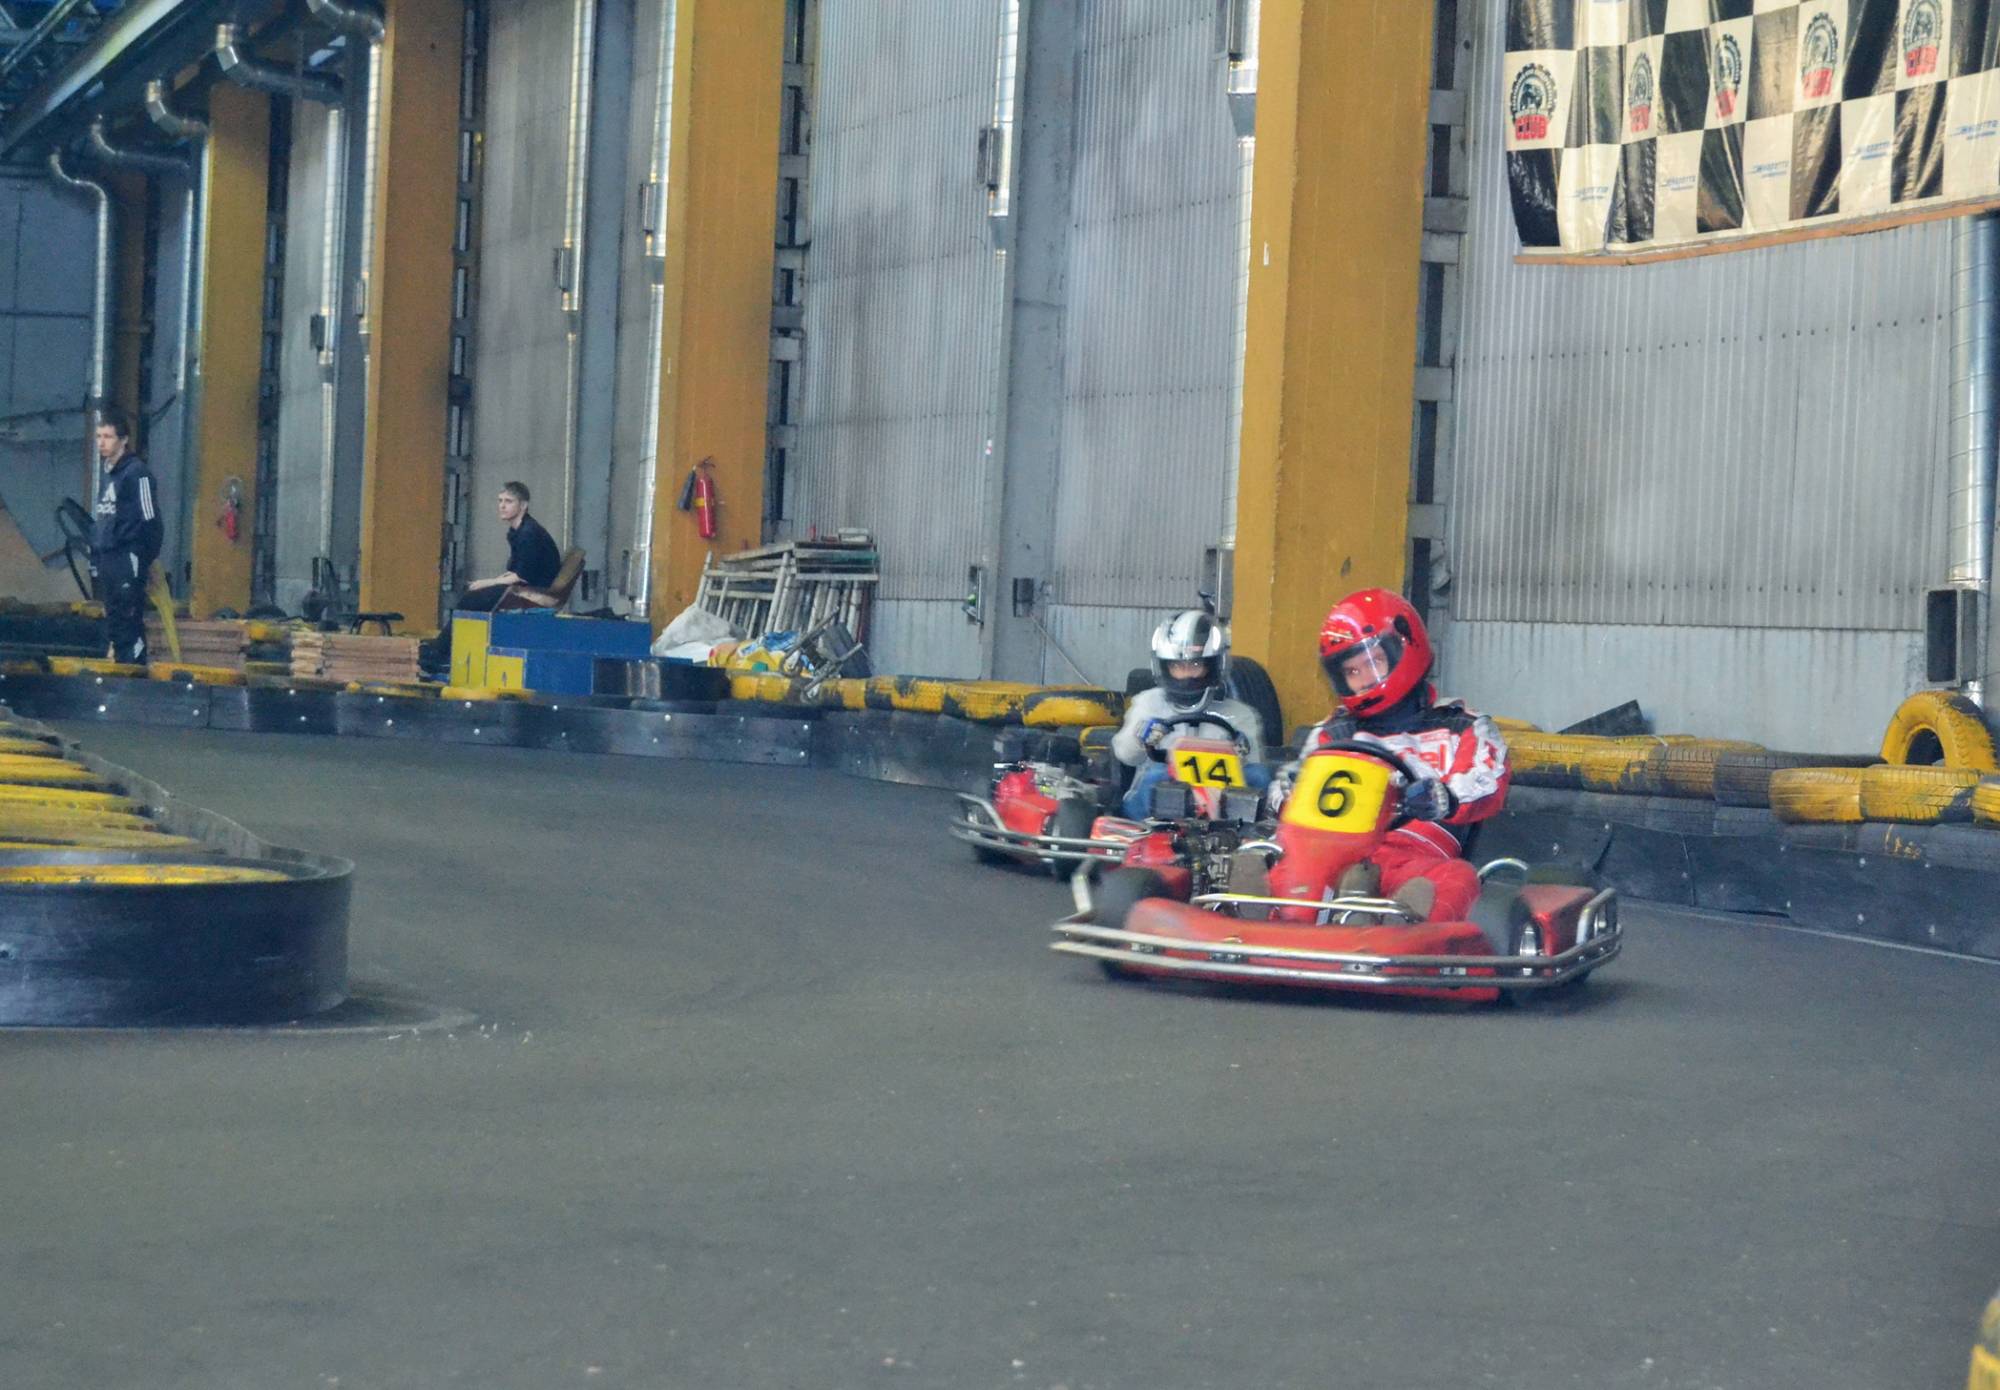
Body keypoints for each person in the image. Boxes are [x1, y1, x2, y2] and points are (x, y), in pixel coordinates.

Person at [1268, 588, 1509, 921]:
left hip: (1416, 856)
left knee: (1458, 879)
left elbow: (1488, 781)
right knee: (1287, 872)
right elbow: (1288, 798)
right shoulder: (1332, 732)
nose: (1364, 679)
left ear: (1405, 648)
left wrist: (1445, 797)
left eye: (1373, 662)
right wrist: (1288, 791)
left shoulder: (1462, 726)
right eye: (1352, 672)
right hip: (1331, 857)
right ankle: (1259, 914)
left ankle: (1397, 921)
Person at [1110, 609, 1265, 820]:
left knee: (1259, 776)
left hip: (1221, 807)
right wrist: (1141, 739)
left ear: (1214, 665)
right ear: (1164, 667)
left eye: (1195, 665)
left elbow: (1253, 771)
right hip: (1152, 807)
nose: (1186, 674)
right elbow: (1125, 756)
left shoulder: (1238, 714)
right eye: (1177, 666)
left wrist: (1240, 751)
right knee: (1157, 774)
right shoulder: (1148, 703)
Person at [88, 410, 162, 665]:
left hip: (128, 555)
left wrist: (144, 558)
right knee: (115, 619)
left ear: (124, 440)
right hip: (109, 556)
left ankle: (134, 670)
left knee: (129, 617)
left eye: (108, 437)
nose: (101, 442)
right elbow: (104, 519)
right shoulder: (109, 475)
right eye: (99, 436)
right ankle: (121, 666)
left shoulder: (137, 473)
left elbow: (150, 519)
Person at [451, 481, 562, 613]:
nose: (502, 506)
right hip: (526, 586)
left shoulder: (528, 533)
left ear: (523, 505)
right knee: (472, 596)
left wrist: (487, 582)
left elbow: (522, 576)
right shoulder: (518, 530)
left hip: (536, 590)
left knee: (469, 601)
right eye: (500, 501)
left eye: (509, 501)